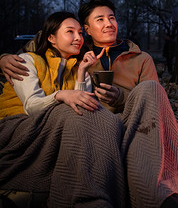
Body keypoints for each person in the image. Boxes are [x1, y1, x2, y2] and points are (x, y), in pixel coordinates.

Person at [1, 0, 178, 207]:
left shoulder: (140, 58)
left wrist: (121, 98)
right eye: (100, 20)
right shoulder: (79, 53)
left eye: (112, 18)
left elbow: (156, 104)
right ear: (87, 30)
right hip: (100, 125)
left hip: (139, 121)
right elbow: (38, 48)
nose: (109, 23)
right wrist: (2, 58)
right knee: (95, 116)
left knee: (150, 89)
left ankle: (161, 198)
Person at [0, 12, 128, 207]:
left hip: (52, 126)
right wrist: (61, 95)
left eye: (79, 32)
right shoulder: (28, 60)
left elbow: (85, 110)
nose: (78, 38)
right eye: (70, 32)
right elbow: (32, 106)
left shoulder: (77, 68)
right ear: (51, 38)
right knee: (71, 110)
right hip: (15, 125)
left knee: (97, 116)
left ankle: (106, 189)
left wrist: (82, 72)